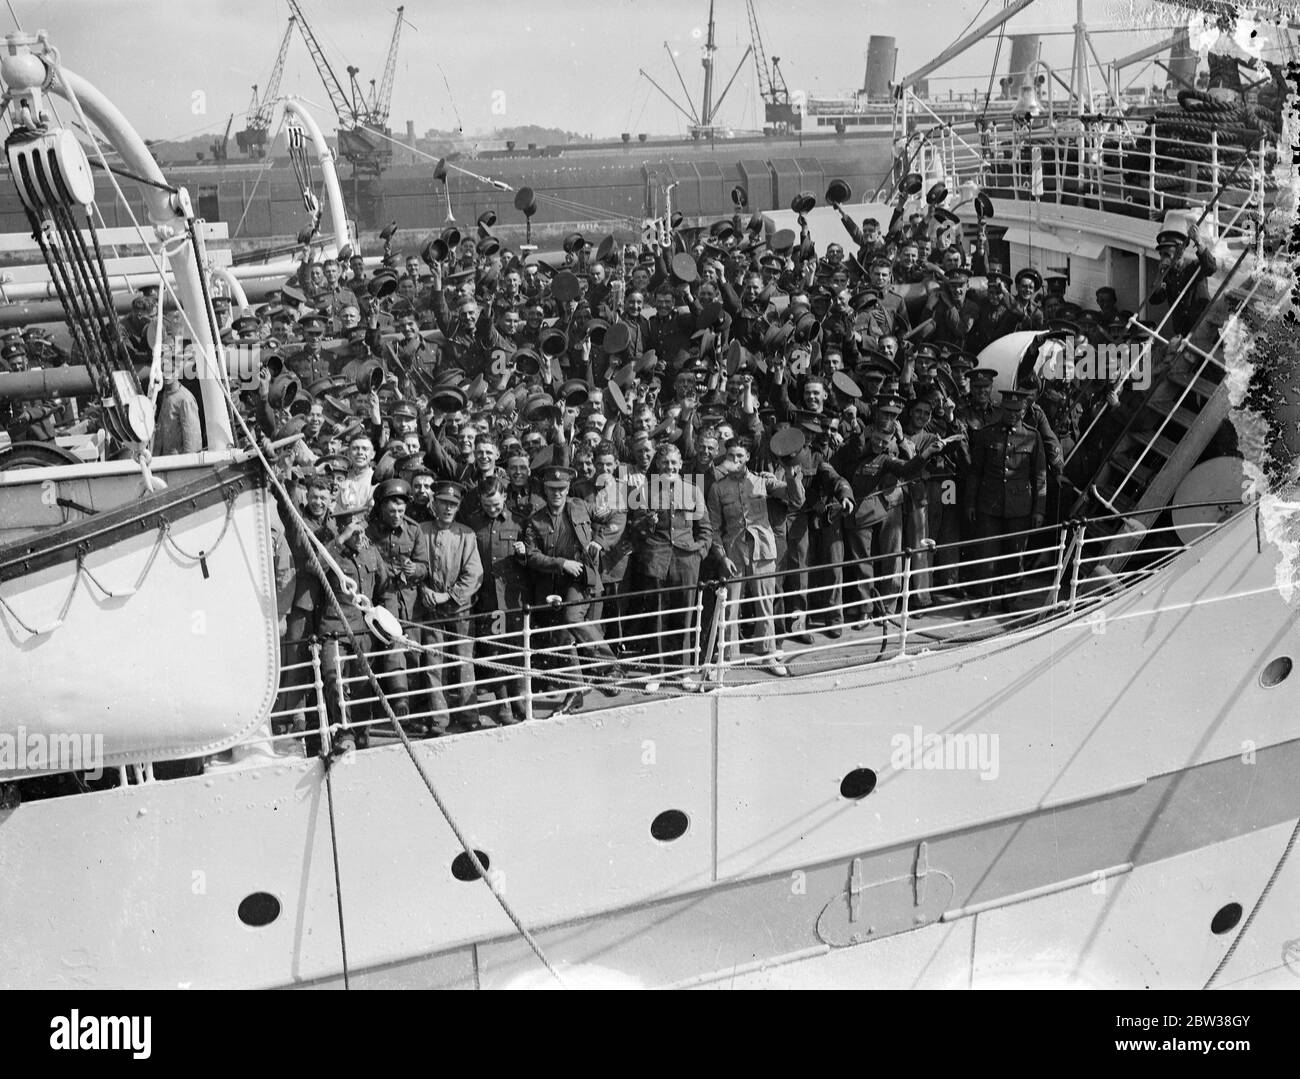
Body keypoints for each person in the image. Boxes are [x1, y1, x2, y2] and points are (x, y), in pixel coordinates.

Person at [524, 464, 621, 713]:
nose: (557, 493)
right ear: (545, 490)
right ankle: (575, 691)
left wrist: (599, 542)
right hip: (553, 583)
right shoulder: (535, 521)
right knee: (563, 638)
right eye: (552, 489)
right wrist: (561, 563)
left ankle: (609, 666)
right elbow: (532, 555)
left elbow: (616, 516)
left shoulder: (581, 506)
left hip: (581, 580)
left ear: (568, 489)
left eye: (562, 489)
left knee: (571, 618)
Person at [706, 436, 802, 675]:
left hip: (762, 550)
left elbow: (797, 499)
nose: (736, 460)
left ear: (747, 457)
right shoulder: (718, 488)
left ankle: (768, 655)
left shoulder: (762, 482)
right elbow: (713, 528)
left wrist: (790, 474)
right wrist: (721, 557)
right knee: (729, 607)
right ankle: (727, 656)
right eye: (731, 456)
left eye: (740, 456)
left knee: (765, 603)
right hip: (733, 552)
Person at [964, 389, 1047, 618]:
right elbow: (975, 472)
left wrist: (1039, 509)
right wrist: (970, 503)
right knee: (986, 557)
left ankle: (1010, 600)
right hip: (988, 505)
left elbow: (1039, 476)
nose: (1012, 415)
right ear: (1001, 409)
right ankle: (983, 602)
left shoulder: (1033, 436)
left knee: (1015, 556)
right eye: (1008, 410)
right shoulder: (986, 435)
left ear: (1023, 411)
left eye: (1017, 411)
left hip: (1019, 508)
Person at [417, 480, 484, 734]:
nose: (447, 509)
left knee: (464, 662)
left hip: (460, 609)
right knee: (434, 663)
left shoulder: (466, 534)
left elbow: (474, 573)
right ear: (434, 503)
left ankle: (470, 715)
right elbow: (414, 566)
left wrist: (449, 596)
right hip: (431, 609)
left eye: (453, 505)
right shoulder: (420, 531)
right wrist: (424, 590)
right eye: (443, 503)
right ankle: (439, 719)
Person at [366, 478, 431, 726]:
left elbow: (424, 567)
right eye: (391, 511)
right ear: (382, 508)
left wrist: (414, 569)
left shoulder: (414, 531)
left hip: (411, 599)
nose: (396, 516)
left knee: (413, 650)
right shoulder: (371, 531)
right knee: (393, 646)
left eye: (401, 511)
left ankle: (411, 708)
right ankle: (400, 701)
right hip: (385, 597)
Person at [465, 475, 528, 725]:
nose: (493, 509)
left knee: (516, 650)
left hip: (513, 601)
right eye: (487, 505)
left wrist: (523, 556)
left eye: (496, 503)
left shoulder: (518, 523)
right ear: (480, 501)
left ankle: (519, 700)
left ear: (504, 496)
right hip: (488, 602)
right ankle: (503, 702)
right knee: (494, 651)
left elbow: (529, 562)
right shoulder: (472, 525)